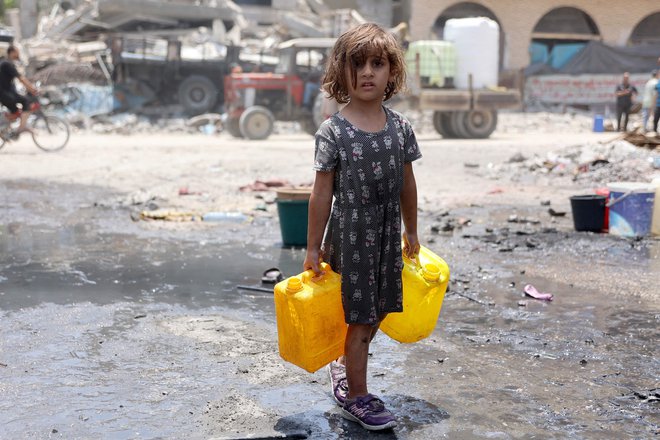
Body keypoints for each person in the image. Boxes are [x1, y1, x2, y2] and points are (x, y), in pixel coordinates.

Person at [303, 23, 421, 431]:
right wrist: (312, 249)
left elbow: (408, 183)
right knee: (359, 316)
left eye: (378, 63)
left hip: (388, 234)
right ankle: (357, 395)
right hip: (352, 234)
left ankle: (344, 369)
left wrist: (412, 231)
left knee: (375, 314)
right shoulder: (333, 131)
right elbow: (321, 195)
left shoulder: (400, 127)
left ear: (392, 72)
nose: (368, 72)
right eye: (358, 64)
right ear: (342, 73)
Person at [0, 45, 39, 135]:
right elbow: (21, 79)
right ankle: (22, 127)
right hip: (4, 93)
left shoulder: (6, 62)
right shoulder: (7, 64)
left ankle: (6, 131)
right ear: (12, 52)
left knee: (16, 111)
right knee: (26, 101)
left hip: (6, 93)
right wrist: (32, 89)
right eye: (17, 52)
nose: (18, 54)